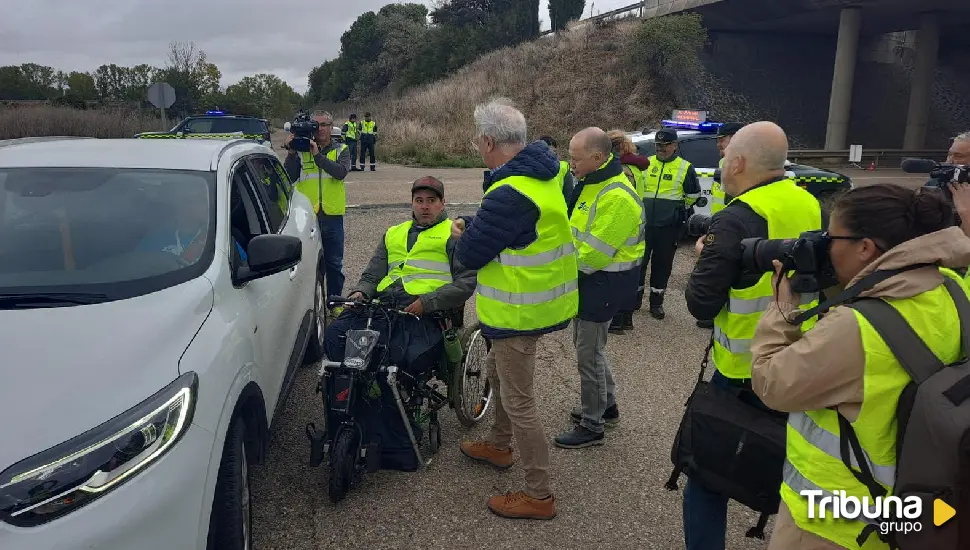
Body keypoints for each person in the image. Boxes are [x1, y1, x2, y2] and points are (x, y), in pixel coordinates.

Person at [749, 184, 970, 550]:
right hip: (911, 508)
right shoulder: (951, 288)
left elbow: (773, 384)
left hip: (834, 525)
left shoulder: (857, 326)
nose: (825, 246)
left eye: (832, 238)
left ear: (865, 247)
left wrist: (782, 309)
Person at [682, 121, 823, 550]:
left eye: (725, 158)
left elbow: (700, 303)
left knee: (707, 480)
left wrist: (705, 255)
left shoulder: (735, 218)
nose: (722, 164)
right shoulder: (808, 203)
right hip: (801, 362)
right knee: (789, 471)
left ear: (739, 162)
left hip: (744, 371)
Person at [453, 98, 578, 521]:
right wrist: (483, 222)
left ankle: (539, 494)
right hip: (539, 306)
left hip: (518, 314)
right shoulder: (548, 173)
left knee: (520, 399)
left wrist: (461, 234)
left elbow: (469, 254)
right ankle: (500, 445)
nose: (477, 146)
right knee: (499, 374)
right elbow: (519, 230)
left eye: (477, 140)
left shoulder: (508, 192)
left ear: (489, 141)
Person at [555, 127, 644, 448]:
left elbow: (591, 257)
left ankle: (593, 425)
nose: (570, 164)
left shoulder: (617, 197)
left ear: (598, 157)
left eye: (575, 158)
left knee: (588, 355)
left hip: (602, 284)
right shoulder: (594, 184)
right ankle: (607, 405)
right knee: (589, 347)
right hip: (590, 283)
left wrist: (553, 266)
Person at [284, 110, 351, 304]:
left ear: (332, 127)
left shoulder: (342, 149)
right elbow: (289, 177)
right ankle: (308, 303)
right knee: (305, 263)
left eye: (324, 125)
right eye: (317, 125)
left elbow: (340, 172)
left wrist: (317, 156)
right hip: (307, 217)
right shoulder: (300, 150)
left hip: (332, 216)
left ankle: (335, 302)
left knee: (334, 264)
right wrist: (291, 153)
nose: (320, 129)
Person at [640, 127, 701, 320]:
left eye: (665, 145)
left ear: (674, 146)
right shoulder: (646, 163)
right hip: (644, 224)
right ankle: (633, 300)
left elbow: (693, 195)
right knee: (638, 263)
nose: (661, 149)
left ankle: (656, 303)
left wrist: (675, 209)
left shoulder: (685, 167)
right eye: (658, 145)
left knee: (662, 265)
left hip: (668, 226)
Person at [694, 122, 745, 329]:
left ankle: (713, 313)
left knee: (720, 270)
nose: (717, 144)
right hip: (720, 224)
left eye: (721, 139)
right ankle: (714, 313)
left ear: (734, 138)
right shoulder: (725, 162)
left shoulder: (736, 165)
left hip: (730, 227)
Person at [606, 129, 651, 333]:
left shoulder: (623, 171)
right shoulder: (638, 168)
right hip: (637, 224)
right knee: (631, 272)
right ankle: (627, 319)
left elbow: (620, 202)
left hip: (625, 223)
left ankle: (617, 321)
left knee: (618, 272)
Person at [537, 135, 576, 199]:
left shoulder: (563, 168)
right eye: (548, 152)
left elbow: (569, 196)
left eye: (554, 152)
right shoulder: (530, 167)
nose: (551, 155)